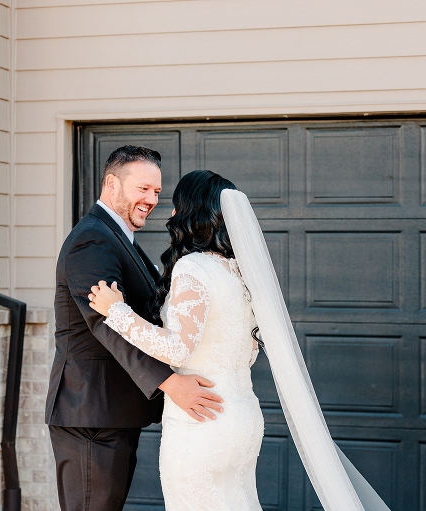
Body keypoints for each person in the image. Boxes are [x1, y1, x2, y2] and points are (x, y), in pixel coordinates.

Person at [89, 170, 391, 511]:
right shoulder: (240, 274)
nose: (170, 214)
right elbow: (247, 352)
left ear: (191, 212)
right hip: (243, 419)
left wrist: (117, 313)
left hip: (201, 422)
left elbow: (177, 348)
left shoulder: (193, 267)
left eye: (175, 206)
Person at [45, 147, 224, 511]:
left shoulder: (119, 238)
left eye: (157, 192)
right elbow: (105, 323)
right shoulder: (92, 240)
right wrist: (172, 384)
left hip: (112, 411)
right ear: (112, 183)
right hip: (91, 413)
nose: (151, 200)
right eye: (143, 188)